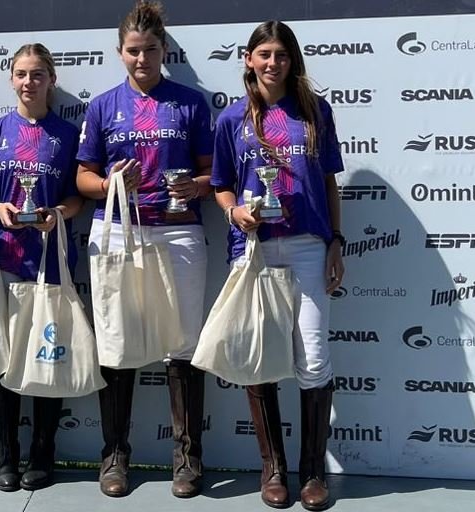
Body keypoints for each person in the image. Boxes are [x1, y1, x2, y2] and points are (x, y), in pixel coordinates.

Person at [76, 1, 213, 499]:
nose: (141, 59)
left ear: (164, 50)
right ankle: (114, 456)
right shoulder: (102, 105)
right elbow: (82, 178)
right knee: (116, 343)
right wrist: (110, 180)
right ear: (120, 53)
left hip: (178, 231)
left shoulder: (191, 103)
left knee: (183, 344)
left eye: (150, 50)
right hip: (117, 232)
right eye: (133, 51)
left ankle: (187, 458)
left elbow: (212, 174)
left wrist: (195, 187)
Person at [211, 20, 345, 511]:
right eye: (264, 54)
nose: (273, 63)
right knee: (260, 358)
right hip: (254, 250)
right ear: (248, 59)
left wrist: (335, 242)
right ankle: (273, 470)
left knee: (313, 358)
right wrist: (233, 210)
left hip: (309, 245)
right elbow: (222, 183)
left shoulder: (315, 111)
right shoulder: (231, 120)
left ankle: (313, 473)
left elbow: (329, 183)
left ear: (292, 61)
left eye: (281, 54)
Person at [0, 43, 83, 492]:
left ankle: (43, 449)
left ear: (51, 79)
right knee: (5, 354)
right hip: (5, 255)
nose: (29, 82)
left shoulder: (68, 134)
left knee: (46, 351)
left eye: (38, 74)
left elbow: (79, 196)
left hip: (50, 257)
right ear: (10, 79)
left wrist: (59, 212)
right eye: (21, 74)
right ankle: (6, 453)